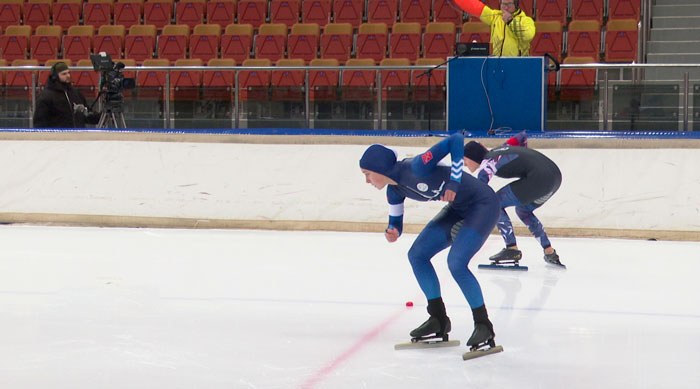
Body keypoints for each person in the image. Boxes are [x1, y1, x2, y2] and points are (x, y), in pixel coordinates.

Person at [360, 133, 501, 351]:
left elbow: (455, 140)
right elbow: (396, 221)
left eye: (368, 174)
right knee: (417, 255)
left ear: (380, 169)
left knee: (456, 263)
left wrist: (454, 181)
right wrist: (393, 231)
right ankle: (438, 318)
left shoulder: (417, 166)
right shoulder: (394, 191)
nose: (367, 181)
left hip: (483, 205)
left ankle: (483, 324)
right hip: (457, 209)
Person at [463, 133, 565, 267]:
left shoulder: (488, 162)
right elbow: (521, 137)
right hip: (555, 178)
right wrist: (525, 156)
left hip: (539, 179)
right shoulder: (501, 150)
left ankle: (511, 248)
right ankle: (549, 251)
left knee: (495, 203)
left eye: (464, 159)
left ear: (473, 157)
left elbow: (479, 191)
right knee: (523, 211)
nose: (464, 164)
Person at [452, 0, 535, 57]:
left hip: (518, 63)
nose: (505, 7)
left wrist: (510, 21)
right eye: (503, 4)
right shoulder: (495, 17)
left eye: (509, 4)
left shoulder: (526, 20)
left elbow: (527, 35)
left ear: (516, 5)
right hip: (496, 62)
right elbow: (475, 7)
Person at [33, 61, 100, 128]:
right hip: (57, 136)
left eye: (68, 73)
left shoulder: (76, 94)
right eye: (64, 74)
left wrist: (100, 115)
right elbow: (39, 123)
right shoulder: (45, 96)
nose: (68, 76)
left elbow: (88, 116)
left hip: (78, 136)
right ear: (55, 76)